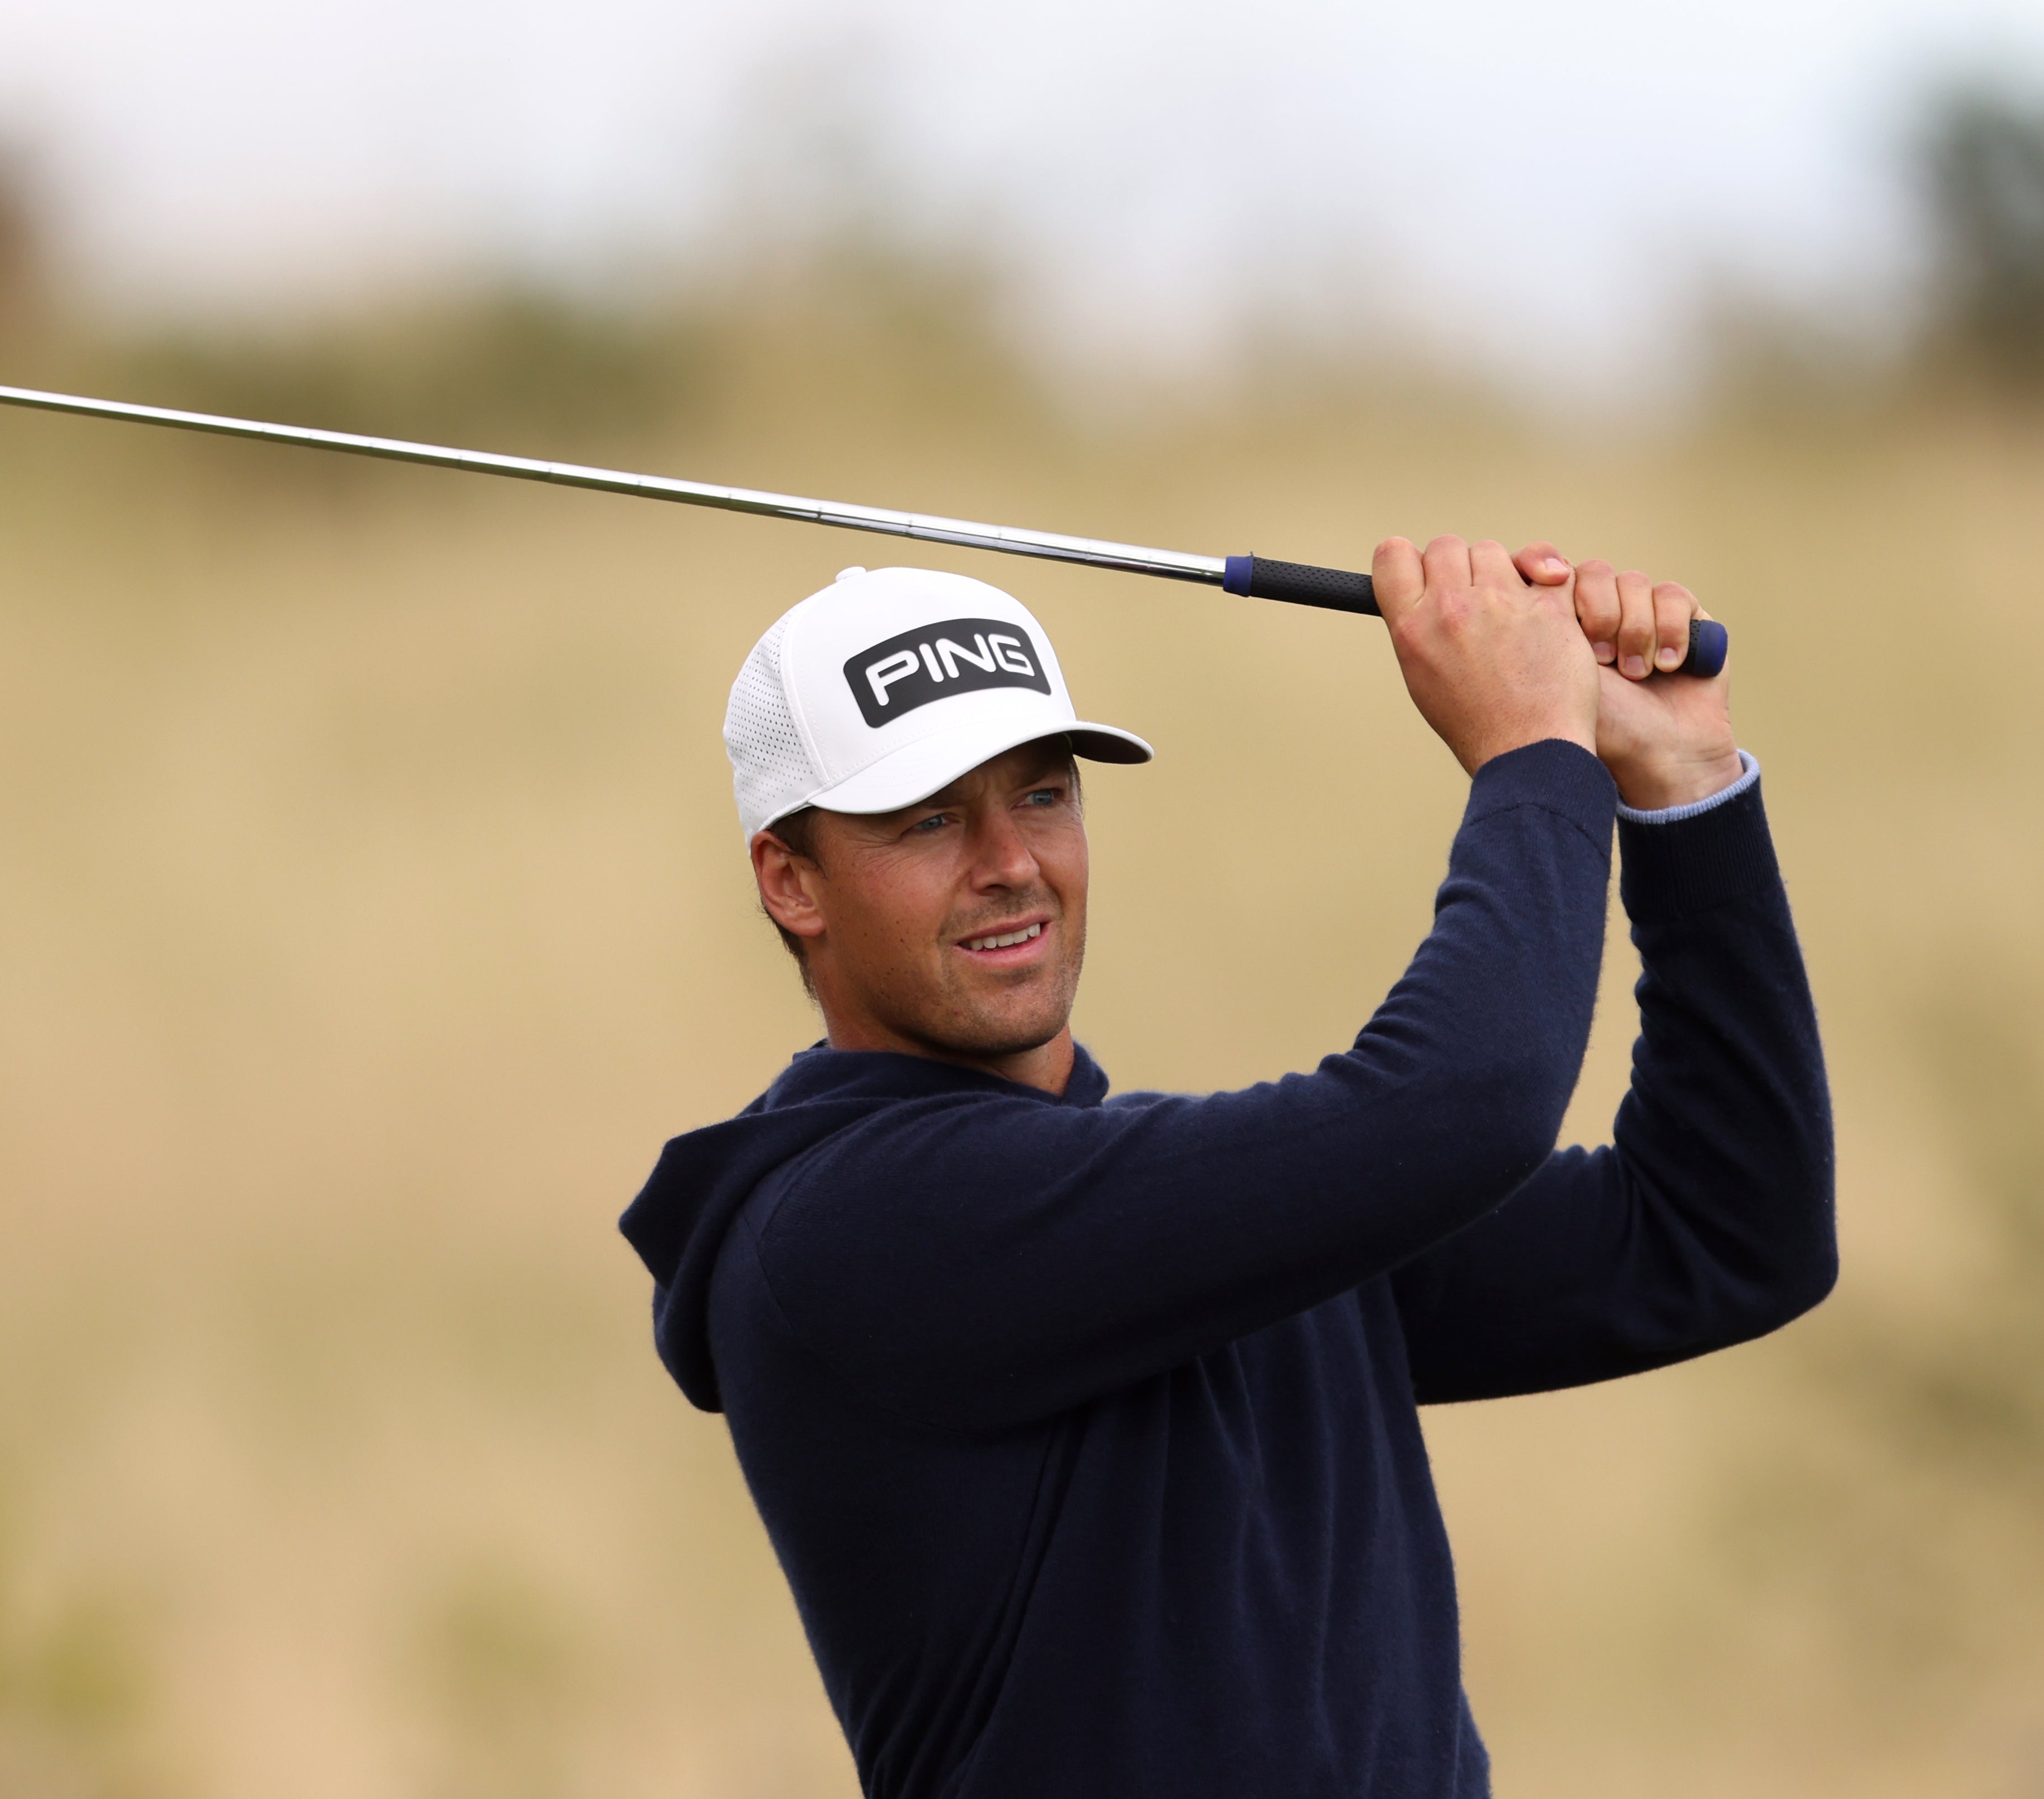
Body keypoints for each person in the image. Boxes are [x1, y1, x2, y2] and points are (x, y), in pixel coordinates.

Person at [618, 538, 1835, 1799]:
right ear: (790, 880)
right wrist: (1535, 754)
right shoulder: (851, 1226)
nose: (1009, 863)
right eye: (927, 819)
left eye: (1040, 795)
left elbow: (1723, 1232)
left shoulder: (1184, 1212)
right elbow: (1459, 1107)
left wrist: (1686, 789)